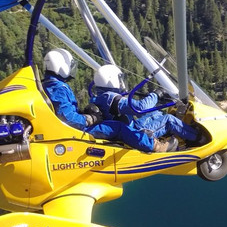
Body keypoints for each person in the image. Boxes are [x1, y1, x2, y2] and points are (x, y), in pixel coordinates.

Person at [41, 49, 179, 152]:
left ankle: (161, 134)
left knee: (147, 118)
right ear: (61, 66)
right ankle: (155, 146)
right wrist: (89, 119)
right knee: (118, 127)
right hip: (79, 130)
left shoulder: (49, 84)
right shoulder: (58, 88)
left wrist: (85, 114)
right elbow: (67, 117)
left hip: (73, 128)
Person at [90, 63, 203, 149]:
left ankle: (179, 133)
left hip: (129, 126)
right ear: (112, 80)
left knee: (155, 113)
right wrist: (156, 94)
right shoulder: (112, 99)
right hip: (134, 132)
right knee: (169, 120)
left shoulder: (99, 97)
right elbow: (141, 107)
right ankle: (198, 138)